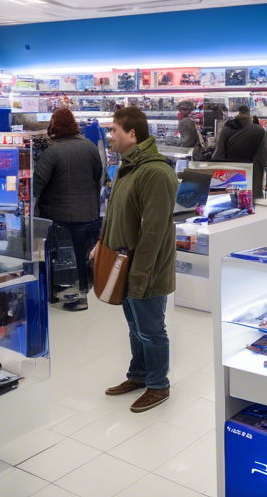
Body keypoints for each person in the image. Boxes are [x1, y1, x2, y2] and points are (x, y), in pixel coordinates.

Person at [100, 106, 179, 413]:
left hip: (146, 269)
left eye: (114, 131)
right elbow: (116, 214)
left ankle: (159, 385)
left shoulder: (156, 173)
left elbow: (154, 233)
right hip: (123, 264)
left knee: (151, 329)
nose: (110, 137)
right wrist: (103, 246)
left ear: (132, 134)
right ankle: (140, 375)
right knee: (136, 328)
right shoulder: (127, 168)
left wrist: (140, 276)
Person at [33, 108, 104, 309]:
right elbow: (98, 176)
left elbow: (36, 184)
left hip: (62, 218)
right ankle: (85, 294)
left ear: (55, 126)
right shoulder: (90, 147)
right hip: (90, 215)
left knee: (66, 260)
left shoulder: (52, 152)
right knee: (85, 258)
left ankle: (69, 297)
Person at [213, 105, 267, 198]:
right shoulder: (259, 131)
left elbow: (218, 154)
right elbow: (262, 158)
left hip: (229, 176)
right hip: (251, 174)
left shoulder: (227, 128)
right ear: (249, 115)